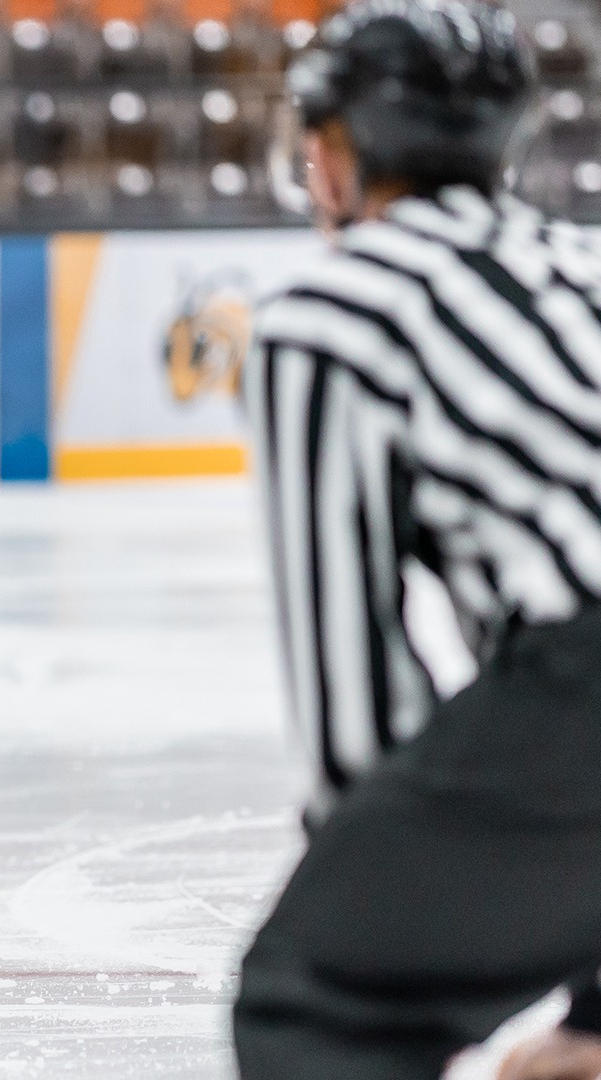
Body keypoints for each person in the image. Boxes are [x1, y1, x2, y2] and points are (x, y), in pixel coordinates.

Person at [235, 1, 601, 1076]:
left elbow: (355, 711)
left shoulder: (330, 319)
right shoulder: (586, 259)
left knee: (316, 1002)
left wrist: (371, 904)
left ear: (338, 149)